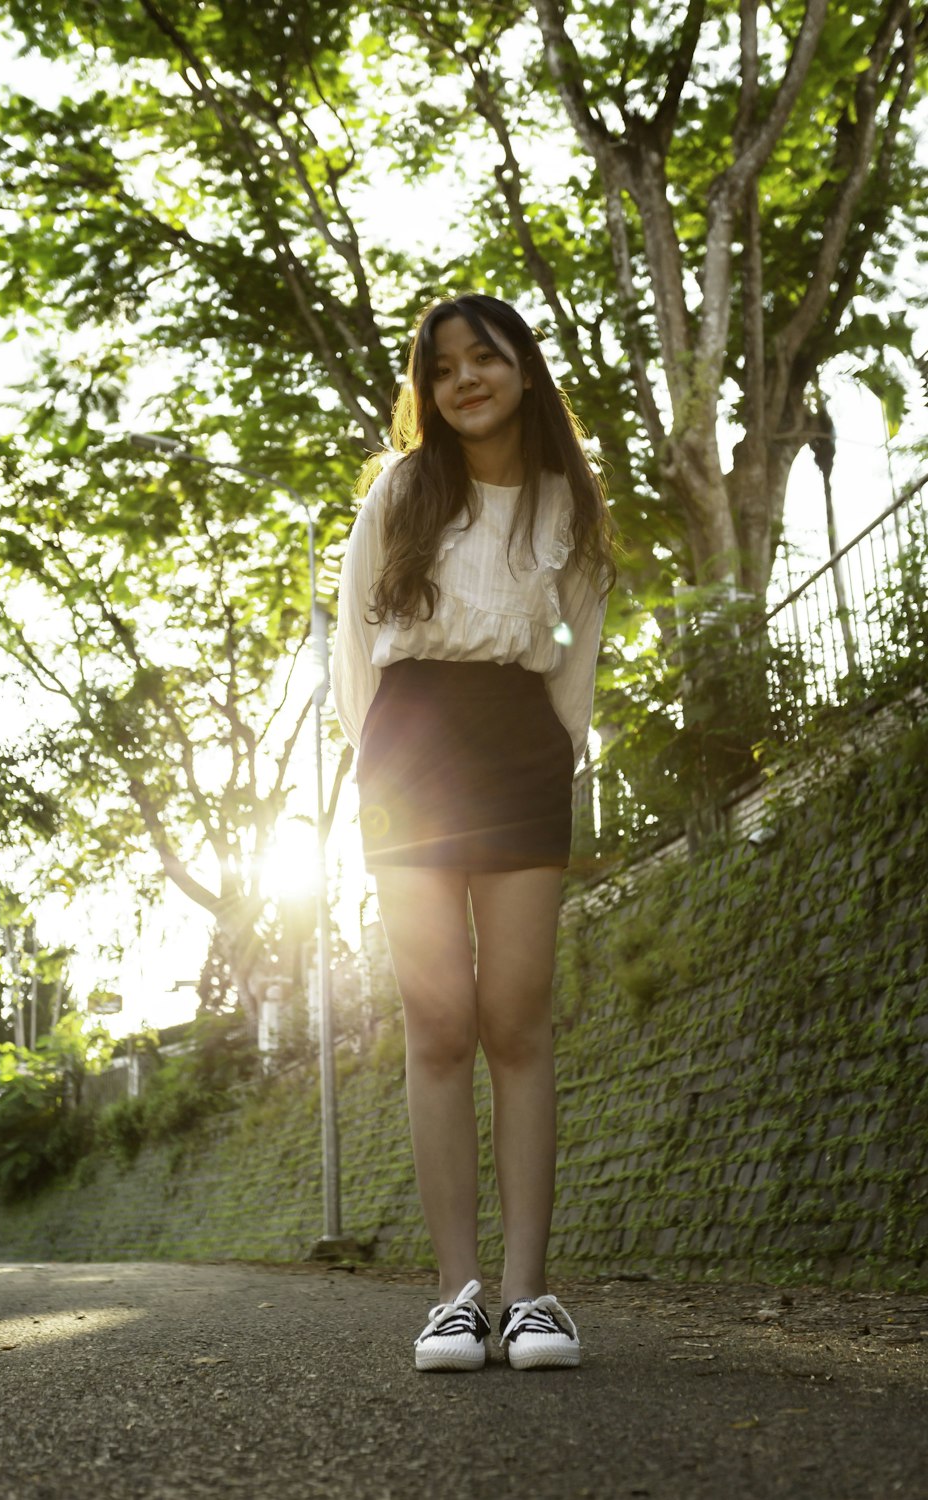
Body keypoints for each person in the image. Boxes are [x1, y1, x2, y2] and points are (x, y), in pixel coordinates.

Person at [331, 293, 614, 1372]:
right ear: (426, 391)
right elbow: (355, 652)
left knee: (518, 1016)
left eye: (483, 357)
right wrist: (387, 761)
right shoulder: (401, 492)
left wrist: (550, 757)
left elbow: (576, 660)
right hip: (409, 748)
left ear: (524, 371)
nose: (463, 379)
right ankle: (455, 1295)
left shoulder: (564, 507)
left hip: (521, 746)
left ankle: (530, 1295)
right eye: (440, 366)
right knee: (437, 1019)